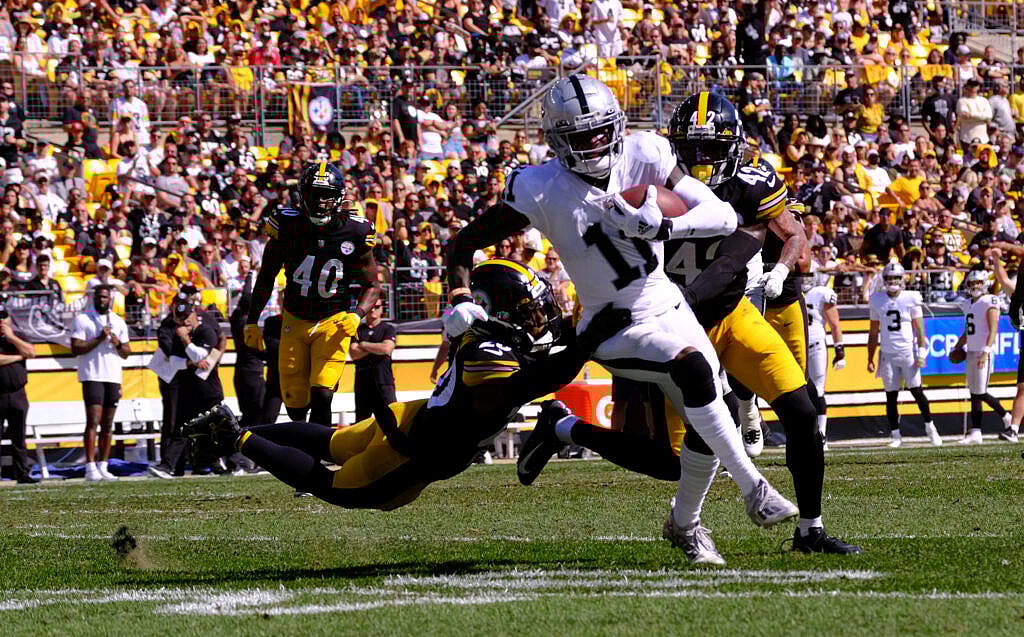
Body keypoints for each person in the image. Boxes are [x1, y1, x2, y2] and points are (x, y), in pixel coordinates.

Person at [445, 75, 799, 560]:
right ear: (557, 140)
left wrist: (664, 224)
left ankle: (685, 525)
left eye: (600, 131)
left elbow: (722, 217)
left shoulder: (645, 153)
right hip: (613, 321)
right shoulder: (539, 188)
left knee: (707, 418)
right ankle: (754, 488)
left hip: (668, 304)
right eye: (581, 136)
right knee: (694, 370)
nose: (594, 145)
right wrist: (461, 294)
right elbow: (463, 242)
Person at [520, 92, 859, 561]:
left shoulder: (749, 183)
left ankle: (810, 528)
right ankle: (566, 429)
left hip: (727, 313)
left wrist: (780, 269)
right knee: (667, 463)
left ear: (735, 146)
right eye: (691, 150)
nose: (701, 162)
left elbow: (740, 250)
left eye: (711, 150)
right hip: (656, 323)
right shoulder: (646, 172)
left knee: (802, 411)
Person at [184, 260, 621, 509]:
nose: (538, 319)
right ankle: (238, 437)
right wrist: (586, 343)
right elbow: (534, 380)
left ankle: (232, 433)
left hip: (412, 419)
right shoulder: (487, 353)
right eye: (528, 312)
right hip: (413, 449)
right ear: (499, 312)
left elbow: (551, 339)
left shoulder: (491, 337)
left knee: (332, 444)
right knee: (336, 487)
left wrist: (592, 321)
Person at [243, 162, 381, 428]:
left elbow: (373, 285)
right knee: (294, 398)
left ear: (339, 196)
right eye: (314, 194)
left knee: (323, 391)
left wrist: (358, 314)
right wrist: (252, 319)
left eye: (326, 194)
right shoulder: (287, 224)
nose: (320, 202)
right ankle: (302, 448)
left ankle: (319, 453)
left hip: (333, 319)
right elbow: (266, 276)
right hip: (294, 318)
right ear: (303, 194)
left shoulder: (356, 230)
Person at [149, 293, 227, 478]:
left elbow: (200, 356)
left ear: (194, 314)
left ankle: (234, 462)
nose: (185, 322)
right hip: (190, 390)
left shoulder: (204, 331)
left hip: (208, 391)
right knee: (181, 429)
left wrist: (186, 341)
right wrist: (189, 362)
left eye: (187, 317)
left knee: (219, 430)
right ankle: (167, 466)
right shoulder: (174, 332)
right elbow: (173, 360)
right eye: (181, 319)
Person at [867, 263, 942, 448]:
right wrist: (870, 357)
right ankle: (895, 435)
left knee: (917, 392)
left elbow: (919, 328)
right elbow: (873, 331)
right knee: (891, 396)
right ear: (884, 280)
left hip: (908, 352)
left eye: (895, 278)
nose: (892, 281)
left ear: (902, 280)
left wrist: (922, 352)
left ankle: (931, 428)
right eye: (889, 278)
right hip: (887, 353)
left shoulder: (911, 298)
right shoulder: (876, 299)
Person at [69, 286, 131, 481]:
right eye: (99, 297)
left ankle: (103, 465)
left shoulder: (118, 321)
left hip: (113, 375)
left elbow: (127, 352)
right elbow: (76, 347)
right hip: (92, 375)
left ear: (110, 299)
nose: (102, 300)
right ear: (93, 298)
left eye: (105, 297)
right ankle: (89, 467)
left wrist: (117, 342)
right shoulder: (83, 319)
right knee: (93, 421)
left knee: (108, 423)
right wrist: (99, 338)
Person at [952, 269, 1011, 445]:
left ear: (984, 283)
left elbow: (993, 329)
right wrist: (958, 345)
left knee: (980, 392)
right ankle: (976, 432)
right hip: (971, 350)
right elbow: (968, 330)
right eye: (972, 283)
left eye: (978, 282)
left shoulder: (989, 300)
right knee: (974, 392)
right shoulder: (967, 304)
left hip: (982, 351)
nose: (975, 285)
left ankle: (1006, 416)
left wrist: (986, 351)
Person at [804, 281, 845, 449]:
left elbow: (835, 324)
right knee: (799, 393)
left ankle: (821, 434)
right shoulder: (787, 290)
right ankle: (804, 435)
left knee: (818, 391)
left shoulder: (820, 293)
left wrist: (840, 351)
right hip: (796, 348)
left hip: (816, 347)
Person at [0, 310, 37, 484]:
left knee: (19, 438)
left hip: (17, 394)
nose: (1, 320)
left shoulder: (18, 336)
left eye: (3, 316)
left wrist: (12, 338)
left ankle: (22, 473)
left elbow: (31, 352)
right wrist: (18, 356)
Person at [351, 299, 397, 422]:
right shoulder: (357, 330)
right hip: (363, 382)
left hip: (384, 381)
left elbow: (387, 348)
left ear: (383, 308)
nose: (372, 309)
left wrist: (364, 344)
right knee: (361, 420)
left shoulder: (388, 328)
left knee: (392, 419)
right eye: (370, 306)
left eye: (376, 306)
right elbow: (354, 353)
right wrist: (377, 347)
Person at [229, 272, 265, 429]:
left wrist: (249, 278)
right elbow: (260, 350)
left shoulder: (236, 318)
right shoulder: (250, 326)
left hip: (240, 371)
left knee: (246, 414)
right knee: (257, 415)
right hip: (253, 373)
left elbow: (245, 297)